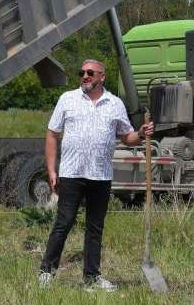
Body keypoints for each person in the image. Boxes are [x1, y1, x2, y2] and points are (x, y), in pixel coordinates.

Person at [38, 59, 154, 292]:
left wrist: (140, 134)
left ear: (102, 76)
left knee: (95, 228)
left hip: (100, 176)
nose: (85, 76)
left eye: (90, 73)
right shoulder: (67, 99)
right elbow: (52, 134)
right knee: (64, 222)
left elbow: (126, 137)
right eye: (82, 72)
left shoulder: (115, 104)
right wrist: (52, 170)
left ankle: (92, 277)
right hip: (72, 173)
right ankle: (46, 272)